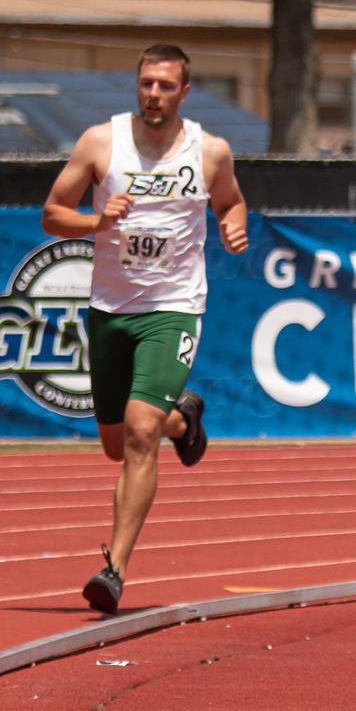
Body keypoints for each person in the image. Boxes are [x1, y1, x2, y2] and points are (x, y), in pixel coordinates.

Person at [41, 42, 248, 615]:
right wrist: (94, 219)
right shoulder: (101, 142)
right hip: (110, 308)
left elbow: (232, 202)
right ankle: (182, 419)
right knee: (115, 445)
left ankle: (115, 570)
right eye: (146, 84)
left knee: (137, 432)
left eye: (165, 86)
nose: (154, 94)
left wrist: (233, 227)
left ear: (184, 92)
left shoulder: (209, 150)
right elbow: (51, 212)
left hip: (174, 307)